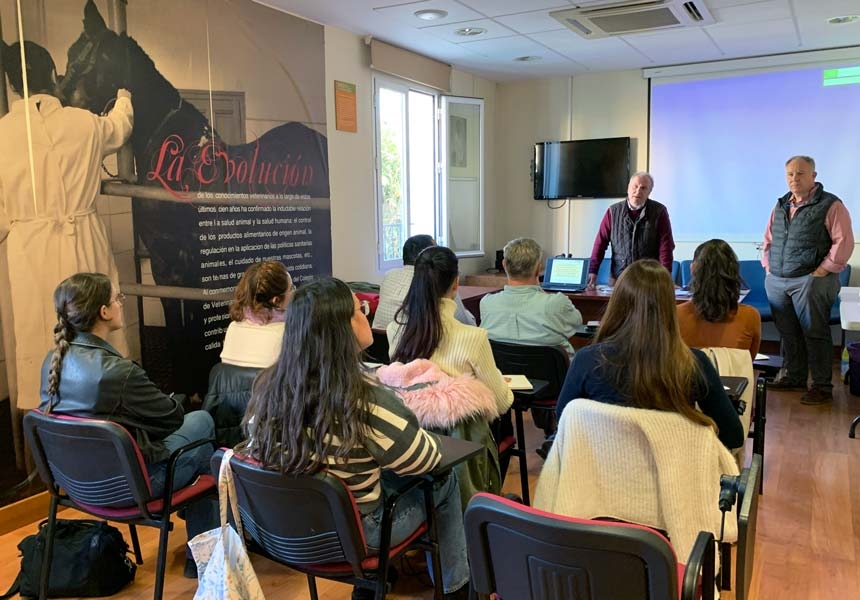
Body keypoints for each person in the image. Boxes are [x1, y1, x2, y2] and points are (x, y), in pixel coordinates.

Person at [241, 278, 470, 599]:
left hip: (288, 532)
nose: (365, 314)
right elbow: (423, 459)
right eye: (359, 309)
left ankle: (374, 585)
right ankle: (457, 587)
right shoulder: (363, 397)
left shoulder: (267, 387)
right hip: (357, 535)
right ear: (343, 327)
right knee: (445, 477)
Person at [38, 273, 215, 579]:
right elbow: (171, 418)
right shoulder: (118, 372)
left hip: (77, 487)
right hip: (130, 488)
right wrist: (178, 399)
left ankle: (202, 545)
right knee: (203, 427)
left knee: (196, 441)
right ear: (104, 312)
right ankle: (203, 560)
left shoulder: (51, 362)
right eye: (118, 299)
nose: (122, 304)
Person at [0, 40, 133, 412]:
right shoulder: (84, 123)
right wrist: (123, 96)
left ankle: (49, 427)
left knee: (39, 334)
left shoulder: (2, 134)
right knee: (95, 329)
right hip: (81, 240)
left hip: (29, 250)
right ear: (55, 76)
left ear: (12, 85)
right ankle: (106, 414)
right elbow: (120, 127)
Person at [557, 260, 744, 450]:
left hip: (602, 474)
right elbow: (733, 436)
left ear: (617, 304)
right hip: (672, 476)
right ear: (670, 308)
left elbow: (563, 420)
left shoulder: (587, 361)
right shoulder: (694, 364)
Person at [763, 155, 854, 405]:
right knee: (788, 333)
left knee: (815, 332)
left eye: (801, 173)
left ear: (814, 176)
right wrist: (768, 268)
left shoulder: (831, 205)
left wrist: (822, 271)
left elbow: (843, 242)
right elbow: (769, 240)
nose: (795, 178)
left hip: (812, 280)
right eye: (790, 174)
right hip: (778, 279)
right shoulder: (780, 205)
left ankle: (822, 386)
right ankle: (794, 377)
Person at [388, 246, 513, 416]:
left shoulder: (394, 330)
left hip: (411, 431)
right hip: (462, 438)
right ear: (455, 282)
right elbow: (502, 403)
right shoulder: (474, 338)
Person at [203, 261, 292, 447]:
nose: (294, 293)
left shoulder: (233, 328)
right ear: (276, 300)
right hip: (276, 436)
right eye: (291, 288)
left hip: (232, 437)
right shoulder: (288, 333)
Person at [480, 237, 583, 358]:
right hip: (552, 376)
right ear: (538, 269)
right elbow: (577, 323)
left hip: (505, 376)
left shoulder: (487, 303)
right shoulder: (557, 304)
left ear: (504, 265)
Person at [586, 172, 675, 289]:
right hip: (619, 278)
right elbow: (600, 244)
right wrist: (593, 271)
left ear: (649, 192)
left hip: (650, 278)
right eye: (635, 186)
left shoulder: (659, 212)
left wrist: (666, 276)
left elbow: (666, 247)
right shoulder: (612, 212)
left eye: (643, 188)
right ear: (628, 188)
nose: (638, 191)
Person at [677, 239, 762, 360]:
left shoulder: (676, 315)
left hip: (689, 378)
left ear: (692, 269)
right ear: (734, 271)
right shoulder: (751, 316)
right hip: (734, 378)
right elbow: (750, 359)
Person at [373, 234, 476, 329]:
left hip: (381, 344)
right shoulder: (434, 279)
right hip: (415, 345)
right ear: (427, 256)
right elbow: (466, 324)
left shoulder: (389, 275)